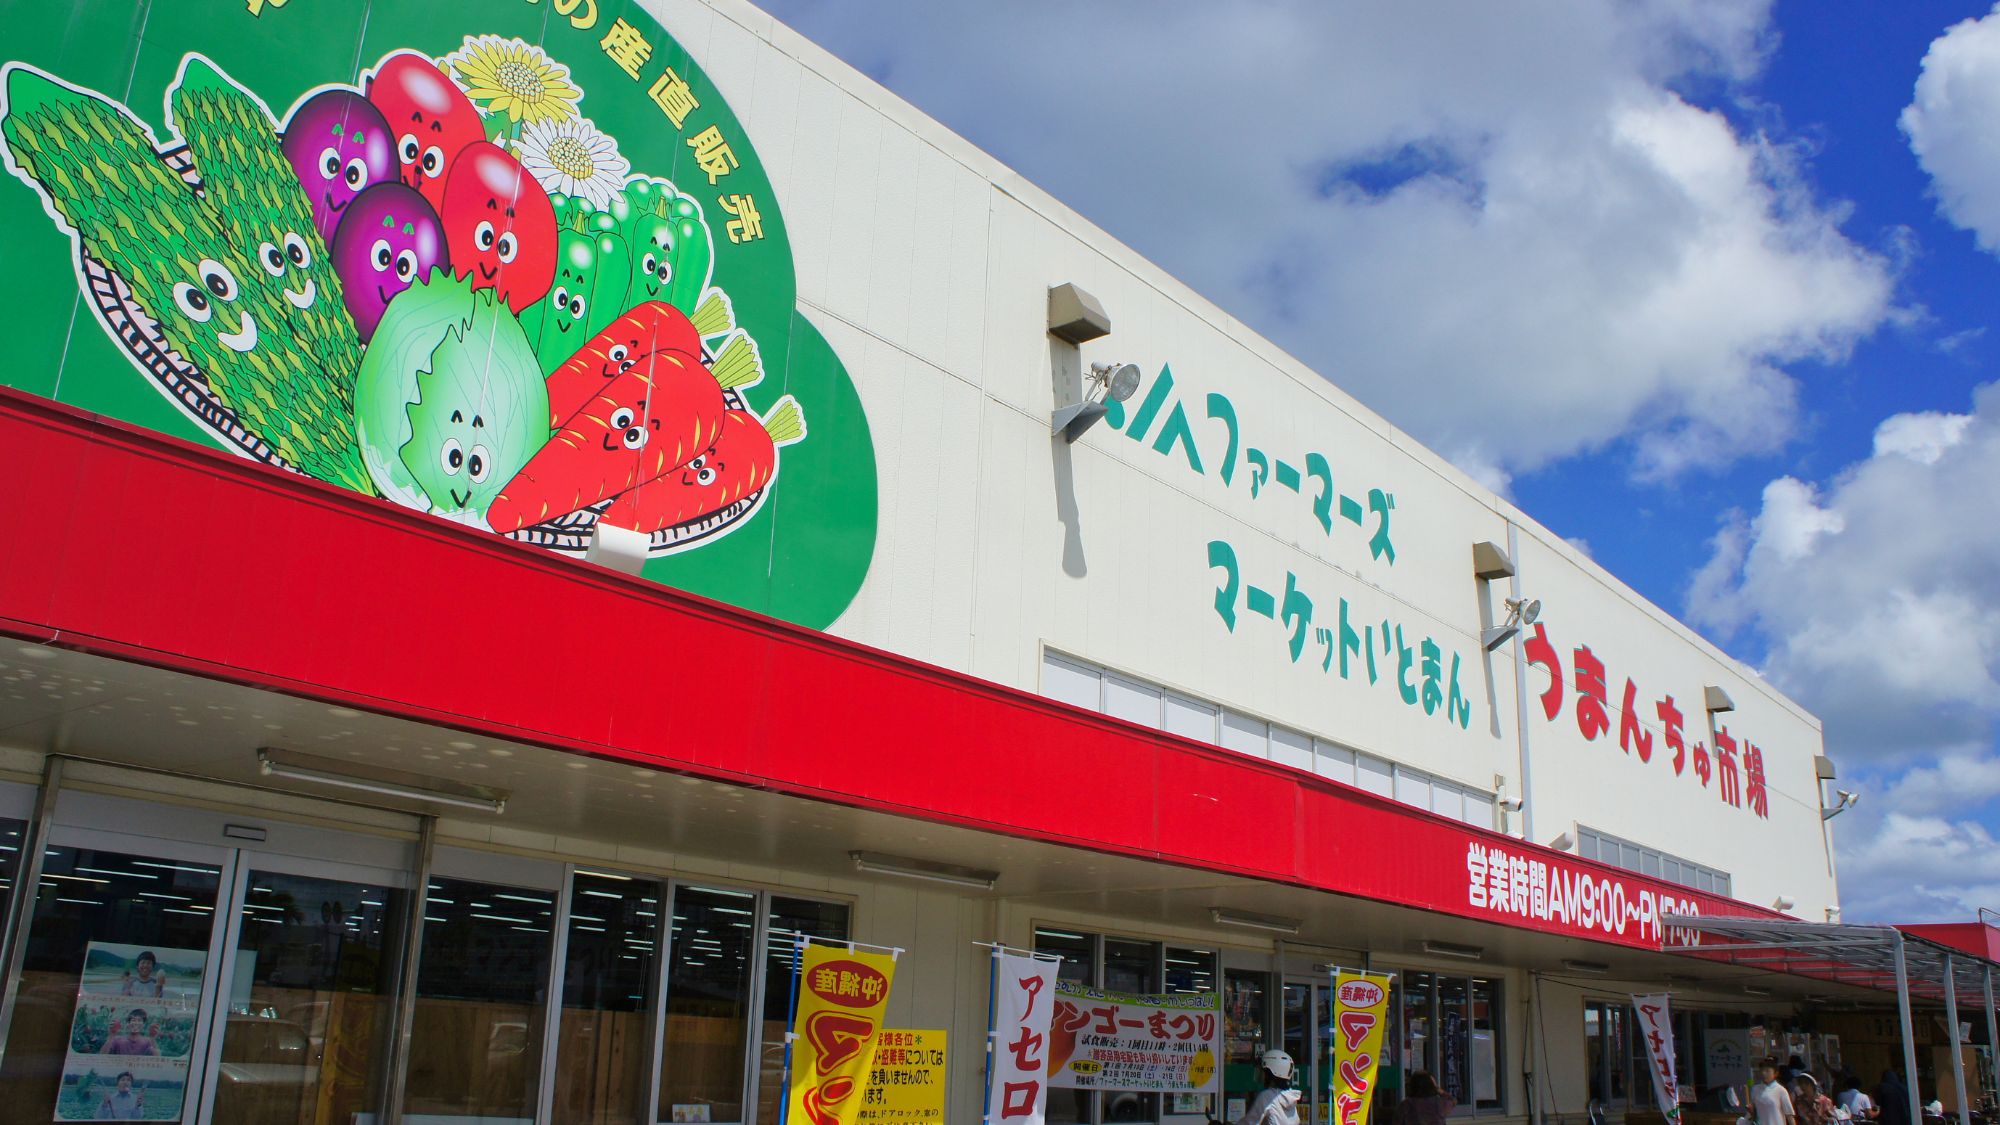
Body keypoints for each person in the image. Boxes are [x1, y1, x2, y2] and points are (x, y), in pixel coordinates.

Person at [1236, 1049, 1302, 1125]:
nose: (1262, 1075)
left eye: (1264, 1072)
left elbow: (1249, 1122)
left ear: (1270, 1074)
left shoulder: (1267, 1096)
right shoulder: (1289, 1097)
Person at [1753, 1061, 1798, 1125]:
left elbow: (1789, 1115)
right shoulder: (1755, 1089)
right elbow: (1752, 1112)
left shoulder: (1781, 1090)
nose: (1763, 1073)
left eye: (1767, 1071)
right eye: (1762, 1070)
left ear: (1775, 1074)